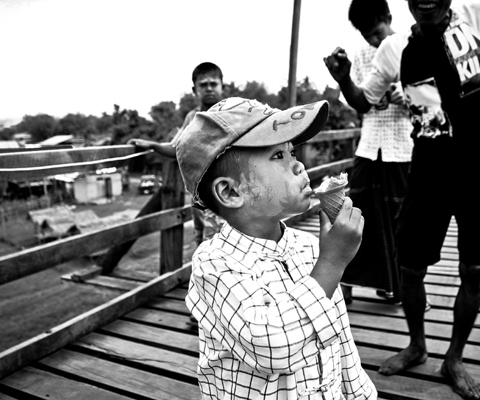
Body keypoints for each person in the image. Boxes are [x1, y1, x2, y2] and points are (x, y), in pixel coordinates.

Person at [324, 0, 480, 398]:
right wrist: (344, 80)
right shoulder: (394, 49)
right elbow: (365, 101)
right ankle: (416, 344)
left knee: (474, 267)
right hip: (428, 170)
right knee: (410, 266)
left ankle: (455, 357)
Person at [176, 97, 376, 399]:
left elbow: (341, 341)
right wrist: (333, 263)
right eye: (277, 155)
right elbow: (273, 348)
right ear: (230, 192)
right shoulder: (213, 265)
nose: (298, 164)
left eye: (291, 151)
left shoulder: (311, 248)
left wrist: (362, 395)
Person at [331, 0, 414, 305]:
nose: (374, 41)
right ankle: (347, 285)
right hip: (369, 146)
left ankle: (399, 287)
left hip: (402, 147)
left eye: (377, 32)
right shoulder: (362, 54)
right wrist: (346, 81)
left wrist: (404, 97)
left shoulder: (412, 47)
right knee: (356, 214)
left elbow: (432, 99)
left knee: (400, 220)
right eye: (367, 35)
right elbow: (357, 100)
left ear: (389, 18)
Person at [129, 62, 226, 246]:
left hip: (224, 192)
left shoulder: (232, 113)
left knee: (219, 247)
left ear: (223, 86)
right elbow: (178, 148)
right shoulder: (193, 117)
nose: (209, 88)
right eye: (203, 85)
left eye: (213, 84)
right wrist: (153, 145)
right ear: (195, 89)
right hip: (199, 193)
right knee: (201, 242)